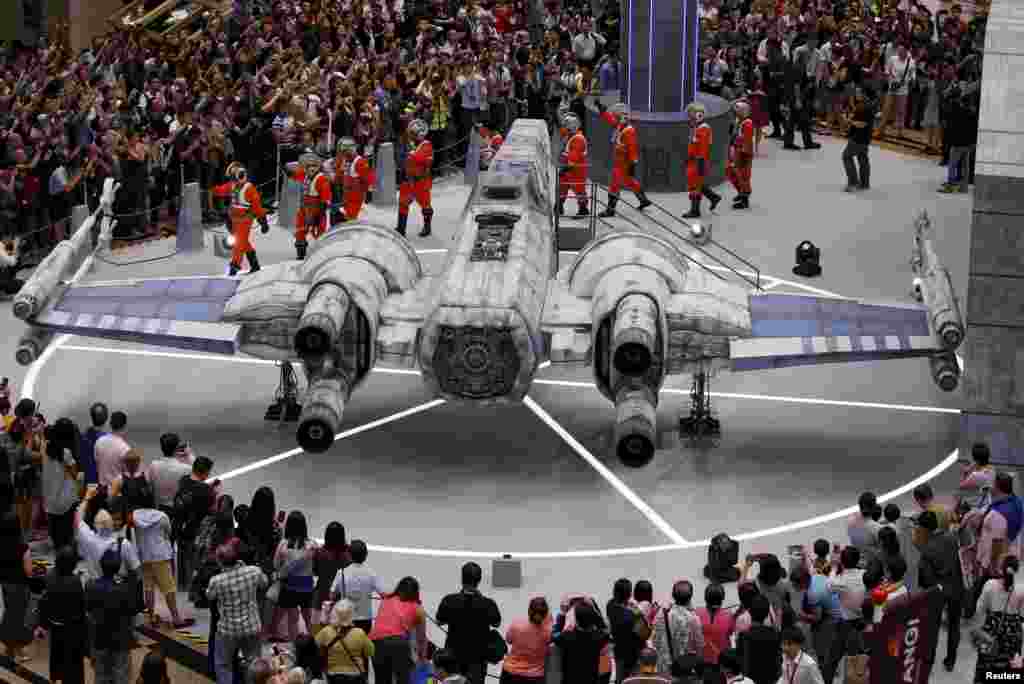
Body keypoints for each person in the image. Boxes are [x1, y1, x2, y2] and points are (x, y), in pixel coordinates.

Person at [206, 541, 268, 684]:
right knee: (253, 663)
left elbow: (210, 596)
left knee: (223, 665)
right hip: (252, 626)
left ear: (220, 562)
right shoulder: (253, 571)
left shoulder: (216, 581)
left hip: (228, 630)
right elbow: (264, 583)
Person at [965, 472, 1024, 619]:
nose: (991, 487)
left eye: (993, 484)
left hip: (994, 560)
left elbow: (998, 542)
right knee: (1001, 585)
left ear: (998, 488)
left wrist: (989, 564)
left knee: (982, 587)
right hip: (1009, 556)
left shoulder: (999, 514)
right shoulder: (1016, 503)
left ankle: (972, 612)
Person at [131, 487, 189, 628]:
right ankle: (176, 618)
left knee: (148, 587)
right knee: (168, 587)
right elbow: (168, 532)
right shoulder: (161, 516)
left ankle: (151, 617)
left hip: (144, 555)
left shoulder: (134, 516)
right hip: (160, 556)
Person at [436, 561, 502, 684]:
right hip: (478, 658)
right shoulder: (488, 604)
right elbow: (496, 623)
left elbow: (439, 621)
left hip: (453, 657)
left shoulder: (449, 600)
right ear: (479, 580)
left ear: (462, 578)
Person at [916, 510, 963, 673]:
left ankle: (929, 659)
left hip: (938, 592)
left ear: (924, 529)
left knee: (933, 627)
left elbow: (926, 580)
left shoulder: (926, 549)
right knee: (954, 625)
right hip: (956, 587)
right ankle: (951, 661)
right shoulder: (952, 538)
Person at [86, 548, 139, 684]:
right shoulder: (126, 589)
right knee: (121, 675)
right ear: (118, 567)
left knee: (101, 676)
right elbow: (132, 613)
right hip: (121, 639)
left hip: (99, 637)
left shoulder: (91, 586)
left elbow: (89, 613)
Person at [37, 546, 88, 684]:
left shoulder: (49, 577)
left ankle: (55, 677)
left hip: (55, 625)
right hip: (72, 627)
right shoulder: (75, 581)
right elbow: (81, 607)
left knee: (56, 655)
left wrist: (43, 624)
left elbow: (44, 603)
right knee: (73, 662)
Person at [210, 161, 270, 276]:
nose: (233, 180)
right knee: (243, 242)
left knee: (239, 244)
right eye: (232, 178)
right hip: (233, 220)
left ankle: (234, 266)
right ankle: (254, 264)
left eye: (234, 177)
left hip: (245, 220)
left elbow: (257, 206)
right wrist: (213, 187)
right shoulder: (232, 186)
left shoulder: (249, 188)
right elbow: (221, 190)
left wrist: (263, 221)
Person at [594, 102, 651, 218]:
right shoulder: (621, 125)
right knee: (630, 182)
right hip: (620, 161)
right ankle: (644, 200)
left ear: (621, 116)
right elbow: (611, 121)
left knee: (614, 185)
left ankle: (610, 210)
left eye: (616, 115)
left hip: (623, 164)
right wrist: (603, 111)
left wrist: (632, 165)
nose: (614, 118)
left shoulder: (629, 131)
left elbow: (632, 148)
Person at [367, 576, 428, 684]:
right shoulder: (417, 608)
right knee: (402, 679)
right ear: (416, 592)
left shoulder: (386, 600)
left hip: (375, 642)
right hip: (398, 643)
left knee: (381, 679)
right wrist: (422, 659)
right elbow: (421, 639)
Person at [974, 555, 1024, 680]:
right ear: (1017, 570)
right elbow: (1022, 614)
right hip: (1013, 633)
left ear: (1001, 569)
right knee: (1008, 671)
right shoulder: (1021, 589)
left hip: (991, 630)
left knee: (985, 665)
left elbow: (979, 609)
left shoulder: (990, 585)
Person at [272, 510, 319, 641]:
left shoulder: (283, 544)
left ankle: (294, 646)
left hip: (289, 587)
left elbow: (276, 565)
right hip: (306, 587)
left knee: (292, 619)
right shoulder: (312, 545)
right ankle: (313, 644)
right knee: (308, 618)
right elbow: (316, 567)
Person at [173, 456, 218, 591]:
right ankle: (190, 585)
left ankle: (181, 582)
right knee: (193, 557)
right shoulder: (207, 491)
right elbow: (212, 510)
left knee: (181, 555)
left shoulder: (183, 480)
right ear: (205, 472)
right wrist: (215, 492)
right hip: (195, 529)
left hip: (179, 525)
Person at [286, 153, 333, 260]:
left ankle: (320, 254)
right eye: (309, 166)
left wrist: (319, 214)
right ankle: (301, 253)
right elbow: (294, 175)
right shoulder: (305, 175)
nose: (311, 169)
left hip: (317, 208)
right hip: (304, 207)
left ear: (318, 167)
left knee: (319, 232)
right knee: (300, 230)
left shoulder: (322, 179)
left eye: (314, 166)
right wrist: (288, 171)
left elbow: (326, 198)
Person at [0, 512, 33, 663]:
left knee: (8, 616)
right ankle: (18, 650)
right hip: (20, 586)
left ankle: (8, 648)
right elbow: (28, 571)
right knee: (18, 619)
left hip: (4, 586)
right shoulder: (23, 547)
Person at [331, 539, 383, 634]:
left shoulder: (341, 573)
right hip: (365, 620)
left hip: (346, 618)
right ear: (366, 555)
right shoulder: (371, 574)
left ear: (349, 555)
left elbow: (332, 595)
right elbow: (383, 594)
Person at [316, 599, 375, 683]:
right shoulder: (359, 633)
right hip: (355, 676)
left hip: (333, 676)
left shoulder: (326, 631)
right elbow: (370, 652)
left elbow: (315, 647)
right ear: (352, 615)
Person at [653, 580, 704, 675]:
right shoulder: (693, 619)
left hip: (664, 667)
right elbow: (699, 645)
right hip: (684, 668)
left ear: (673, 596)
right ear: (690, 597)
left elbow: (655, 641)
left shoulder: (661, 614)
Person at [556, 600, 611, 684]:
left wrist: (562, 615)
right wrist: (594, 608)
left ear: (576, 621)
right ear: (592, 620)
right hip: (590, 680)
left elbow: (554, 635)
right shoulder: (598, 637)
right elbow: (606, 629)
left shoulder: (566, 637)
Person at [42, 430, 80, 550]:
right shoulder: (65, 452)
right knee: (67, 531)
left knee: (56, 532)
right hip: (65, 500)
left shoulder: (45, 450)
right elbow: (75, 474)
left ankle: (58, 550)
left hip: (50, 500)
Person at [501, 596, 552, 684]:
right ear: (546, 613)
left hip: (510, 673)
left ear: (529, 611)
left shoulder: (516, 624)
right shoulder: (549, 631)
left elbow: (508, 640)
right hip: (534, 677)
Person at [682, 102, 720, 219]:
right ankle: (713, 197)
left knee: (694, 186)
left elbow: (703, 148)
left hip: (698, 162)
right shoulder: (697, 127)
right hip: (693, 161)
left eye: (690, 114)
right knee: (697, 184)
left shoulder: (703, 129)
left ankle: (695, 210)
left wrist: (700, 163)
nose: (689, 117)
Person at [397, 119, 434, 238]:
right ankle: (401, 229)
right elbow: (402, 159)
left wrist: (411, 153)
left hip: (421, 182)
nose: (410, 135)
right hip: (408, 180)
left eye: (413, 133)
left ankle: (427, 227)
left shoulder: (427, 145)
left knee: (425, 206)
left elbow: (421, 159)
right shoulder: (410, 145)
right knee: (403, 204)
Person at [313, 521, 350, 634]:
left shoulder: (320, 552)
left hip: (321, 595)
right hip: (341, 598)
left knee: (319, 630)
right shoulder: (348, 554)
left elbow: (315, 572)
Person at [735, 595, 780, 684]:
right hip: (770, 679)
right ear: (767, 613)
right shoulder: (774, 634)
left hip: (750, 680)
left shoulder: (743, 636)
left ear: (750, 612)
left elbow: (739, 660)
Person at [606, 578, 642, 683]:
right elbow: (643, 632)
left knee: (620, 679)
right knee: (631, 680)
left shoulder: (610, 605)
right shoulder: (632, 615)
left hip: (619, 650)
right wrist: (637, 610)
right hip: (632, 652)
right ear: (629, 594)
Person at [148, 433, 193, 512]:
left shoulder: (153, 465)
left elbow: (150, 488)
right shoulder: (186, 469)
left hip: (159, 511)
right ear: (177, 448)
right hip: (178, 513)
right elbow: (199, 477)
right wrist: (189, 456)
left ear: (162, 448)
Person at [556, 113, 589, 219]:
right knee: (562, 188)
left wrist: (565, 168)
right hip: (567, 168)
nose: (564, 127)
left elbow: (574, 157)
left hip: (576, 170)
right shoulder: (570, 136)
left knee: (579, 190)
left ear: (572, 126)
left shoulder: (578, 139)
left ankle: (583, 209)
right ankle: (558, 207)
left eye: (566, 125)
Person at [337, 138, 376, 222]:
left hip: (356, 196)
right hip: (346, 195)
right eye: (343, 152)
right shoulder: (344, 160)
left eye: (346, 152)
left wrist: (369, 191)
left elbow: (368, 178)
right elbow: (341, 176)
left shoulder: (359, 162)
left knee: (352, 218)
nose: (344, 154)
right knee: (346, 217)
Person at [842, 91, 873, 192]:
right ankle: (865, 183)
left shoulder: (863, 108)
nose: (856, 94)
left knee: (846, 156)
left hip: (857, 139)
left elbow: (862, 124)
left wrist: (849, 121)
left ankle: (853, 182)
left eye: (859, 92)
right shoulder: (867, 106)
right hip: (865, 138)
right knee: (862, 158)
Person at [696, 583, 734, 666]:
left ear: (705, 598)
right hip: (722, 659)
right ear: (722, 598)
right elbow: (730, 632)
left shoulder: (697, 613)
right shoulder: (728, 615)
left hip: (702, 658)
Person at [726, 100, 754, 210]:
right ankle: (741, 192)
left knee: (743, 176)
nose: (735, 113)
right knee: (731, 172)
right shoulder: (738, 121)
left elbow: (747, 141)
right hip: (735, 151)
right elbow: (732, 135)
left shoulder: (748, 123)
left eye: (737, 111)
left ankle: (744, 200)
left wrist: (744, 155)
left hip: (742, 154)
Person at [93, 410, 130, 487]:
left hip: (101, 489)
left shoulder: (99, 441)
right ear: (125, 426)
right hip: (117, 492)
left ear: (110, 424)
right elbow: (128, 475)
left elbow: (97, 465)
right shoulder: (125, 448)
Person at [78, 402, 108, 486]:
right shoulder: (108, 440)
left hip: (87, 484)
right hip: (103, 485)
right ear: (106, 418)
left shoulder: (83, 437)